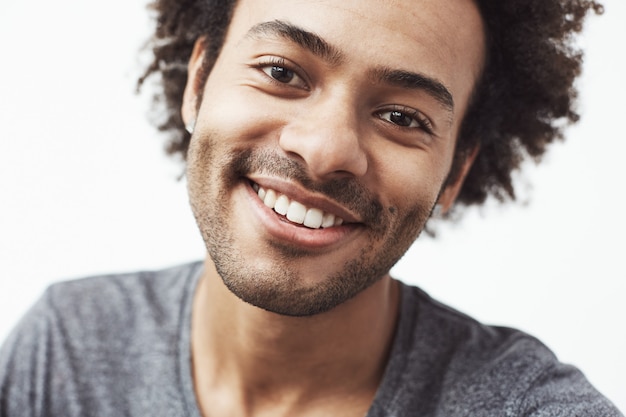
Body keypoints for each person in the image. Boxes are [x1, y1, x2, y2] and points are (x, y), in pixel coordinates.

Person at [0, 0, 622, 416]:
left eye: (401, 117)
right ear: (199, 85)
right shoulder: (66, 352)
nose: (325, 151)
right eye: (281, 71)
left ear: (454, 172)